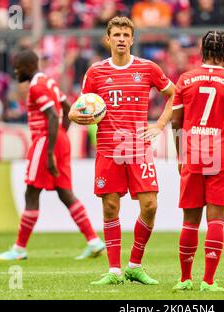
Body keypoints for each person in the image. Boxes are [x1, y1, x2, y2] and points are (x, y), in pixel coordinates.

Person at [68, 16, 175, 285]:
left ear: (132, 39)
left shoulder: (148, 68)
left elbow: (175, 94)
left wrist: (159, 125)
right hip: (108, 148)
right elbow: (80, 107)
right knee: (110, 207)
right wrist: (73, 114)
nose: (121, 39)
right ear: (108, 39)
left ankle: (134, 265)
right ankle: (114, 271)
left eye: (126, 35)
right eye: (116, 34)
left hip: (138, 148)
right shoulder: (95, 72)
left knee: (150, 205)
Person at [0, 49, 105, 261]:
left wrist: (51, 150)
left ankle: (19, 249)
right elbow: (68, 109)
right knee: (64, 193)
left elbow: (53, 116)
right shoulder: (49, 82)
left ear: (27, 67)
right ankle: (93, 241)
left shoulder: (36, 86)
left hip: (45, 141)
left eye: (17, 68)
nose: (15, 72)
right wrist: (61, 138)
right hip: (59, 139)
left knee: (31, 194)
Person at [170, 30, 224, 292]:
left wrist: (181, 155)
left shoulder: (186, 79)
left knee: (189, 221)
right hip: (220, 154)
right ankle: (208, 281)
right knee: (215, 220)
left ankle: (184, 279)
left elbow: (175, 122)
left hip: (193, 152)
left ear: (201, 50)